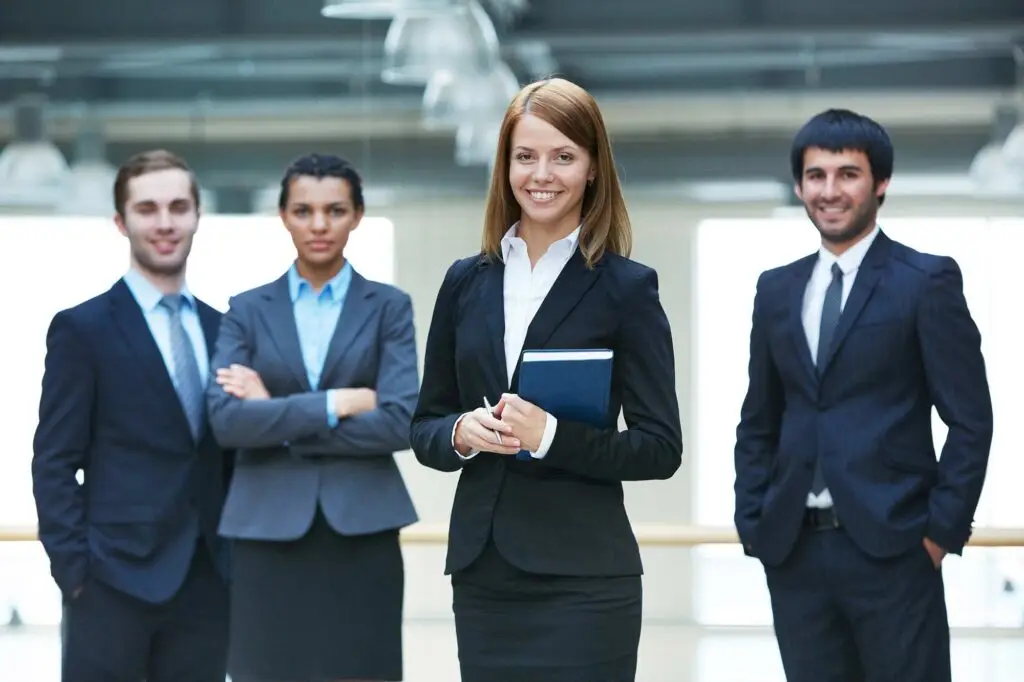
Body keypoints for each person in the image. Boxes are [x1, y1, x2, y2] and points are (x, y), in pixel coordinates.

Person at [409, 77, 683, 682]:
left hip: (586, 582)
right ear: (504, 166)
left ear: (593, 168)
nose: (541, 175)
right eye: (525, 156)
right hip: (485, 578)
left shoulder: (627, 288)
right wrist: (460, 433)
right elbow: (425, 425)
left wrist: (551, 436)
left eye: (563, 157)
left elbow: (661, 448)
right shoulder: (464, 282)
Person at [733, 108, 993, 682]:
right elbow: (760, 419)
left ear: (881, 183)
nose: (830, 190)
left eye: (847, 174)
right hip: (794, 552)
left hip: (896, 550)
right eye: (816, 175)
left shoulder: (925, 281)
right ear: (799, 186)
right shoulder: (776, 290)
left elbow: (971, 420)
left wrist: (939, 534)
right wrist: (753, 518)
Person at [206, 153, 419, 682]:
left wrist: (272, 416)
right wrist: (336, 403)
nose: (319, 225)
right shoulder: (247, 310)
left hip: (362, 527)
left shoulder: (389, 307)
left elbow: (399, 422)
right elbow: (227, 423)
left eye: (335, 210)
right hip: (264, 529)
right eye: (304, 211)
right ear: (283, 216)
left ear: (357, 215)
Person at [32, 149, 232, 682]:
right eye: (147, 209)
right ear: (121, 222)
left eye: (178, 207)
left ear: (197, 216)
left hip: (208, 586)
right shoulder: (83, 329)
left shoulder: (226, 331)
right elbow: (54, 461)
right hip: (110, 585)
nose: (165, 222)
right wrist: (75, 573)